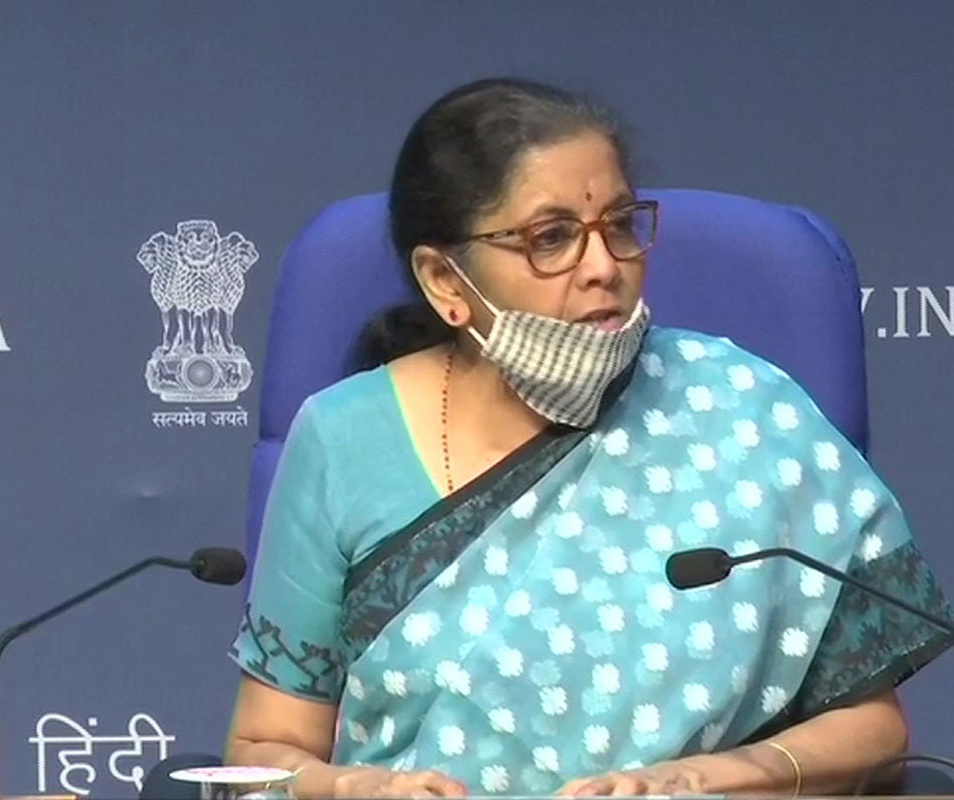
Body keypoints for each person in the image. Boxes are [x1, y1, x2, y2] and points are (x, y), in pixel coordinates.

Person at [224, 78, 953, 797]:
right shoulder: (343, 438)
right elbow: (266, 748)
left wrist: (701, 780)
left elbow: (874, 733)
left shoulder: (740, 405)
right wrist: (357, 790)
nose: (604, 267)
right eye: (552, 239)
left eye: (621, 225)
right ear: (446, 281)